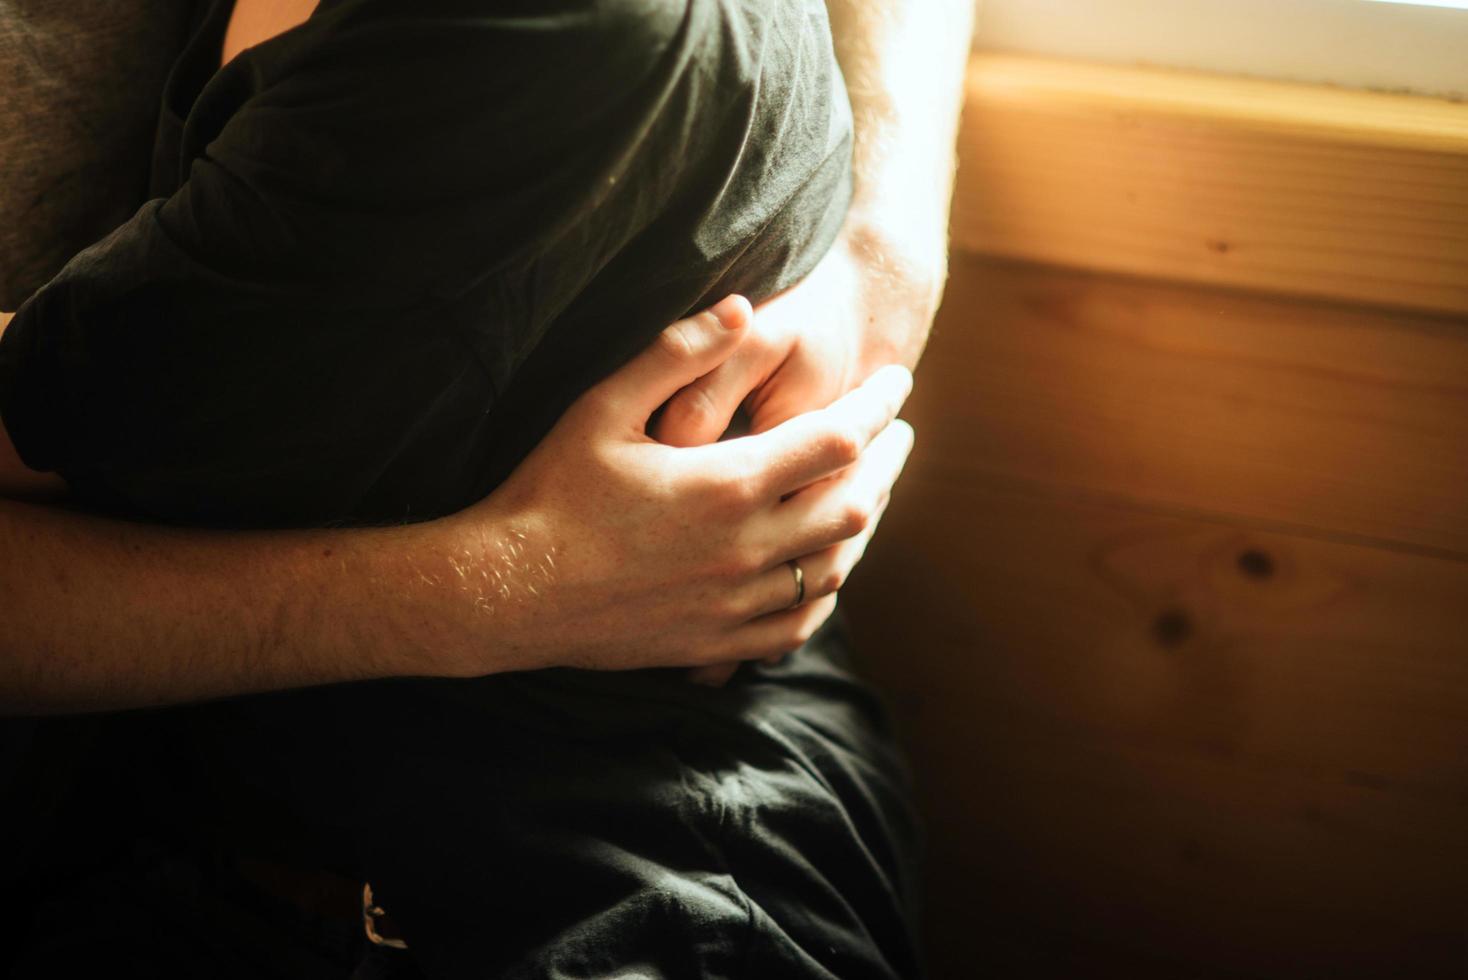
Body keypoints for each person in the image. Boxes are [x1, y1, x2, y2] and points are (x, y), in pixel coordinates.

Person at [0, 0, 972, 975]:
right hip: (159, 796)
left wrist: (878, 255)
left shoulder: (538, 49)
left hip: (640, 803)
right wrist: (492, 588)